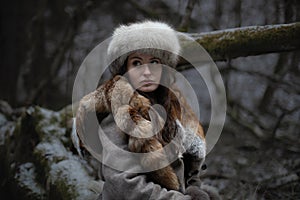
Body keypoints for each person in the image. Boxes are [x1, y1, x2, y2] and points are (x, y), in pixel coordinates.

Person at [76, 20, 221, 200]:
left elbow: (188, 168)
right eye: (137, 63)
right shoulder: (117, 115)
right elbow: (123, 185)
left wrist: (194, 189)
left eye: (154, 62)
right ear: (125, 69)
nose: (147, 71)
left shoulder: (173, 109)